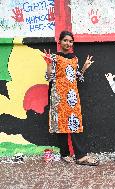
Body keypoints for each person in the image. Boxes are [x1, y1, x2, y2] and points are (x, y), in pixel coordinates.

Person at [44, 30, 98, 165]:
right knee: (61, 124)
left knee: (74, 124)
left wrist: (84, 68)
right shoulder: (55, 58)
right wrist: (48, 64)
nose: (68, 43)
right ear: (60, 42)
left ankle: (80, 155)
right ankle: (65, 153)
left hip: (72, 96)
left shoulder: (75, 59)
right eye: (65, 40)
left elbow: (76, 77)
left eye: (70, 41)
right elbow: (48, 77)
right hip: (58, 96)